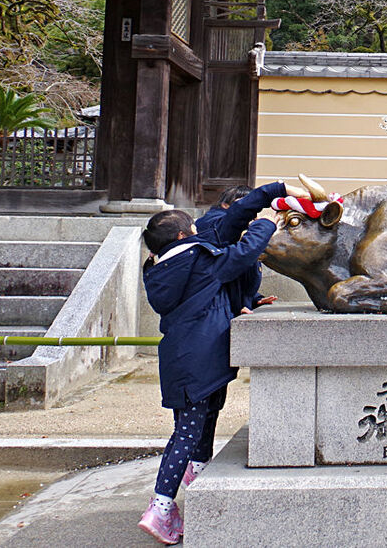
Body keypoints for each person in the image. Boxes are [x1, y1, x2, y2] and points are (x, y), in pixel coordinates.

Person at [135, 187, 287, 545]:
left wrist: (246, 301)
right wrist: (266, 223)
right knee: (186, 434)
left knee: (203, 422)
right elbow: (246, 252)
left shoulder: (169, 267)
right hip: (199, 361)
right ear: (184, 236)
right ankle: (160, 507)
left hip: (185, 357)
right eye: (192, 227)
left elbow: (207, 295)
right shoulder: (200, 260)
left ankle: (199, 476)